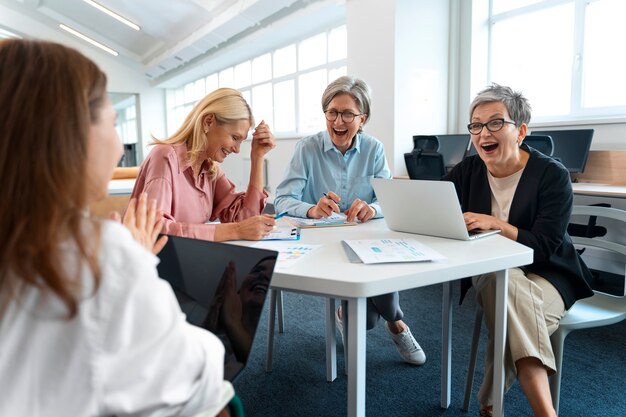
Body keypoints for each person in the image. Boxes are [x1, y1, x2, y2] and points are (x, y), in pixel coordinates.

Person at [0, 39, 231, 416]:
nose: (121, 146)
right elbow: (198, 376)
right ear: (69, 136)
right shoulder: (99, 253)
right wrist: (135, 268)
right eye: (112, 122)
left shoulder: (212, 171)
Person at [445, 83, 593, 417]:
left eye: (496, 122)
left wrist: (496, 224)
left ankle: (490, 402)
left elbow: (544, 247)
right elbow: (435, 212)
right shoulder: (467, 171)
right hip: (491, 270)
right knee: (508, 285)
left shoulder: (552, 175)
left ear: (521, 131)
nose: (484, 132)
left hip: (551, 272)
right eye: (477, 125)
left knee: (512, 307)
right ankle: (544, 412)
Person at [273, 75, 425, 365]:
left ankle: (395, 323)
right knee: (365, 321)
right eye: (332, 112)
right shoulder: (307, 148)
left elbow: (387, 199)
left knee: (375, 280)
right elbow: (281, 199)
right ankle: (394, 321)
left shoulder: (375, 149)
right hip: (319, 242)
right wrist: (311, 209)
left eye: (347, 114)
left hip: (363, 238)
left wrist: (372, 208)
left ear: (362, 118)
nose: (338, 121)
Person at [130, 87, 277, 241]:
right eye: (234, 137)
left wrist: (257, 156)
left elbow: (246, 220)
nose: (237, 149)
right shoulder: (165, 157)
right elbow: (155, 229)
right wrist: (235, 230)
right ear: (208, 122)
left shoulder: (210, 170)